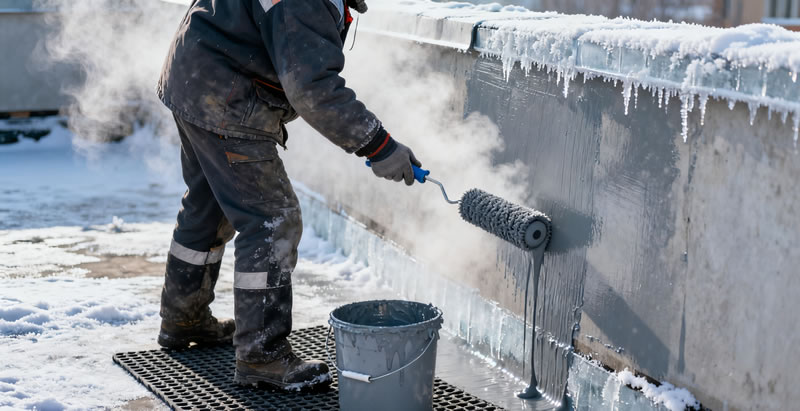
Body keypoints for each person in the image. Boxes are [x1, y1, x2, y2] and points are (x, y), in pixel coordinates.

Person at [155, 0, 421, 391]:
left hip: (196, 76)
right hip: (226, 96)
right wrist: (378, 146)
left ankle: (183, 318)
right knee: (271, 220)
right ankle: (262, 356)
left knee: (208, 207)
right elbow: (311, 87)